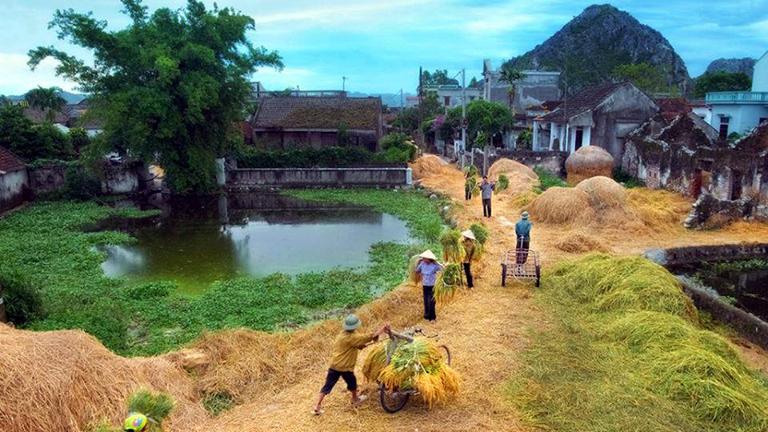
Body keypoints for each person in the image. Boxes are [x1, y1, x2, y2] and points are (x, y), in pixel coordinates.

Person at [313, 314, 390, 415]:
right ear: (355, 326)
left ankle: (317, 405)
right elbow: (367, 337)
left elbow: (352, 343)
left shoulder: (342, 334)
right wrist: (382, 330)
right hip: (344, 367)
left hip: (334, 365)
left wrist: (359, 346)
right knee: (352, 382)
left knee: (328, 385)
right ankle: (355, 398)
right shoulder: (352, 336)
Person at [414, 250, 444, 321]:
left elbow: (443, 269)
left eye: (425, 258)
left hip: (432, 286)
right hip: (425, 285)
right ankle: (426, 316)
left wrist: (437, 262)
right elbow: (417, 270)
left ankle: (433, 317)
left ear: (429, 259)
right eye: (423, 258)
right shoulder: (422, 264)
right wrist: (418, 263)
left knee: (432, 301)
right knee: (426, 301)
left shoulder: (435, 265)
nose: (424, 259)